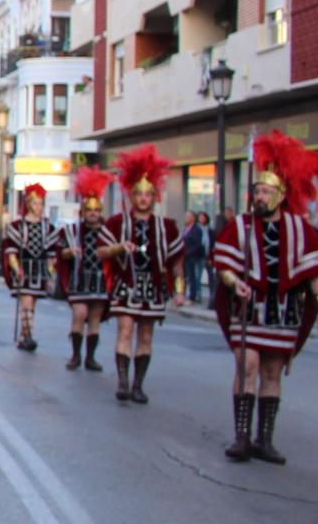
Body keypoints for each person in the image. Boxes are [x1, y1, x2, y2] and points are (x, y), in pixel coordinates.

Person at [212, 132, 318, 464]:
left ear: (281, 195)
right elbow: (223, 264)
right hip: (248, 310)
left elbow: (315, 276)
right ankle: (240, 436)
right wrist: (233, 280)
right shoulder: (240, 226)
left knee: (271, 373)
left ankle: (264, 439)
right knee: (246, 364)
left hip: (283, 314)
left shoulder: (302, 231)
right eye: (257, 191)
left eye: (267, 191)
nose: (259, 196)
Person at [97, 145, 184, 405]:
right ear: (132, 196)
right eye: (139, 194)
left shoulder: (166, 227)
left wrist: (179, 290)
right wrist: (119, 247)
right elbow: (101, 251)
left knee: (146, 335)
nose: (143, 198)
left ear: (154, 196)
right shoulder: (116, 223)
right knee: (125, 330)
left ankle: (138, 385)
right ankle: (123, 382)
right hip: (127, 284)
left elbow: (177, 260)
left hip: (154, 287)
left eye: (148, 194)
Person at [58, 167, 114, 371]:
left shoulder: (108, 232)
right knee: (79, 314)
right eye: (89, 210)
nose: (93, 214)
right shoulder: (72, 231)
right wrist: (70, 252)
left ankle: (91, 357)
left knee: (95, 319)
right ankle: (75, 355)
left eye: (96, 210)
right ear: (83, 212)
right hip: (80, 279)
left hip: (99, 280)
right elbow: (60, 253)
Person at [0, 183, 59, 352]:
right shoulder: (17, 226)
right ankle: (28, 336)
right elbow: (11, 251)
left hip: (39, 270)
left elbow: (51, 254)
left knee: (32, 305)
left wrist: (49, 273)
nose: (38, 207)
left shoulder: (48, 228)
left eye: (40, 203)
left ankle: (24, 334)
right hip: (24, 269)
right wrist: (16, 268)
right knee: (26, 302)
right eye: (35, 203)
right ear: (28, 204)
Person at [181, 210, 212, 306]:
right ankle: (184, 294)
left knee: (193, 277)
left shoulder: (196, 230)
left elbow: (197, 245)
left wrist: (188, 253)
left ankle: (193, 296)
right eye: (185, 216)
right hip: (185, 257)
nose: (185, 218)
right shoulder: (186, 228)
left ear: (192, 218)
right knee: (185, 277)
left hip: (194, 257)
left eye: (187, 217)